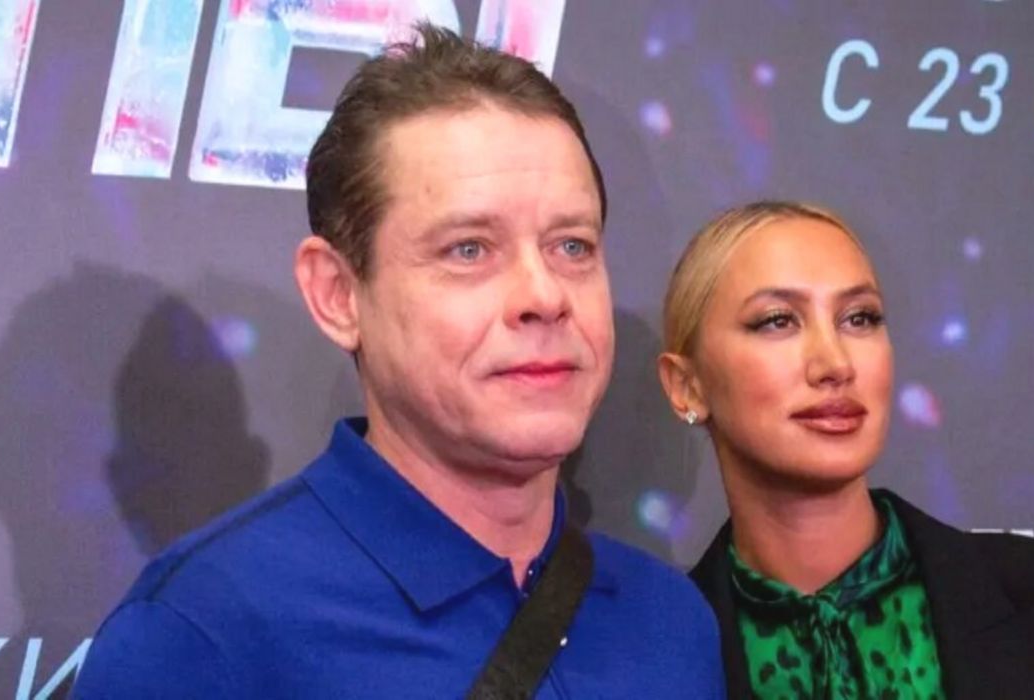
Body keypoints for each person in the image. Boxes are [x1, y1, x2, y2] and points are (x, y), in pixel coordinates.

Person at [73, 24, 724, 698]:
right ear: (338, 295)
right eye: (469, 249)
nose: (545, 296)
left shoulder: (670, 623)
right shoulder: (204, 635)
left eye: (572, 246)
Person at [659, 201, 1034, 699]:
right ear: (686, 386)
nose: (835, 363)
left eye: (859, 318)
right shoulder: (654, 660)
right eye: (778, 321)